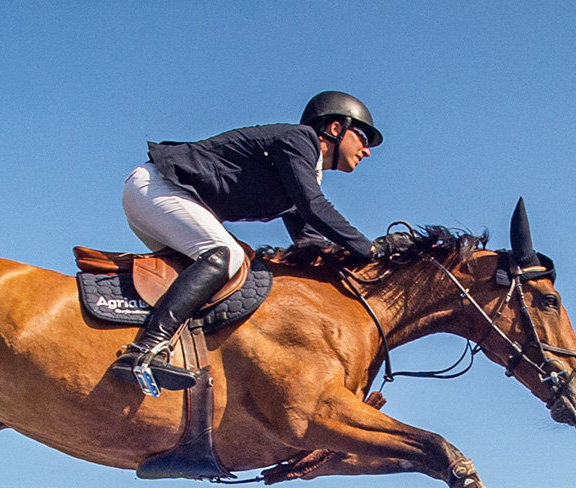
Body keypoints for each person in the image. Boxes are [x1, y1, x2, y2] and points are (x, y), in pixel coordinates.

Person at [110, 91, 382, 394]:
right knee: (226, 254)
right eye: (363, 137)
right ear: (335, 129)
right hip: (157, 187)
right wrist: (369, 248)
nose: (367, 151)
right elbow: (314, 207)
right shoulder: (299, 140)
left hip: (162, 196)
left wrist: (361, 264)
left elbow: (309, 240)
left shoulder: (303, 171)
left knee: (222, 278)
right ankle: (146, 350)